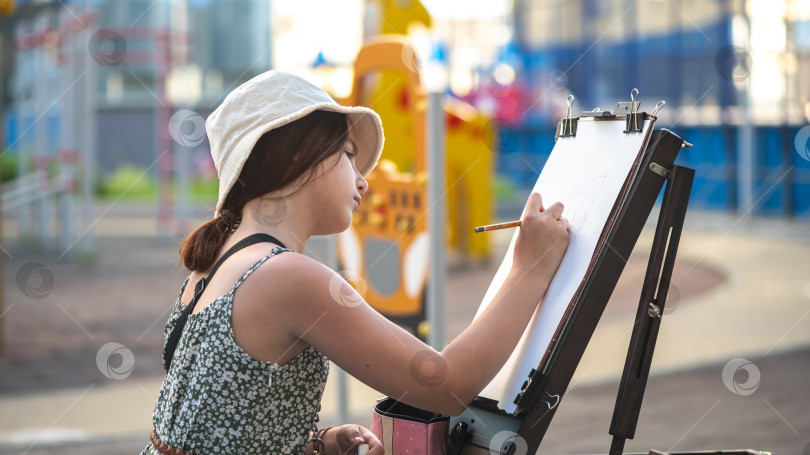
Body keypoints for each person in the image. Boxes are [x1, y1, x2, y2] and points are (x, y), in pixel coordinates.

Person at [141, 70, 569, 455]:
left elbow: (218, 421)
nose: (362, 177)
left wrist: (314, 443)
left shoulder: (217, 261)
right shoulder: (288, 276)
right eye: (347, 153)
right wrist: (529, 267)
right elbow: (448, 385)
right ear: (294, 152)